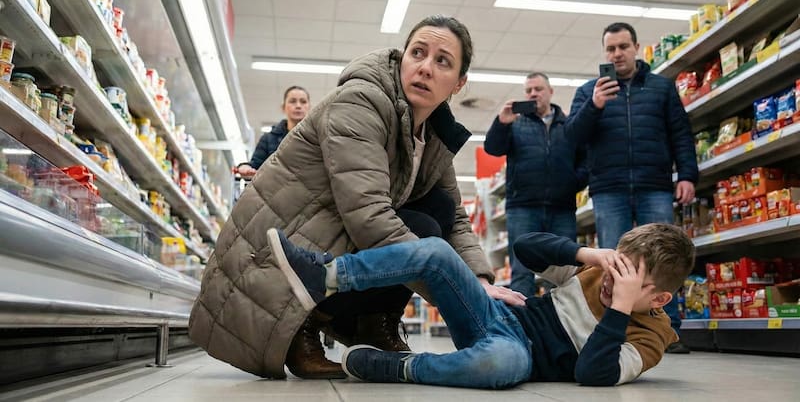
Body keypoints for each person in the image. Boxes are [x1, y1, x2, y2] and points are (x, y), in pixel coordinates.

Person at [188, 15, 526, 380]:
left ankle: (372, 324)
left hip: (330, 241)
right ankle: (306, 325)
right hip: (277, 254)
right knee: (422, 229)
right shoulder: (361, 102)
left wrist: (479, 280)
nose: (426, 68)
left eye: (442, 61)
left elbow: (456, 216)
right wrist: (458, 291)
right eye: (418, 53)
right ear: (402, 59)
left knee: (438, 211)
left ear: (459, 83)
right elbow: (369, 218)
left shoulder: (430, 133)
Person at [269, 222, 695, 388]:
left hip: (516, 353)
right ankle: (326, 276)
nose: (612, 282)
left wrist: (619, 309)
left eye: (629, 281)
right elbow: (525, 248)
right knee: (436, 250)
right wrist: (586, 254)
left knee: (501, 366)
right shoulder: (596, 271)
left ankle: (395, 367)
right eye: (616, 267)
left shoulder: (650, 339)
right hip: (495, 315)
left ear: (659, 298)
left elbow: (592, 374)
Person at [568, 22, 698, 354]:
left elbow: (680, 133)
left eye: (623, 47)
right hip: (608, 188)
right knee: (614, 261)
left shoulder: (661, 88)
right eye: (610, 49)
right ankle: (615, 330)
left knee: (666, 258)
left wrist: (687, 175)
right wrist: (594, 105)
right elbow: (572, 138)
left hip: (654, 184)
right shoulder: (588, 91)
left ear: (636, 48)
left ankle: (668, 330)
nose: (617, 54)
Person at [484, 72, 587, 297]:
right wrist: (501, 123)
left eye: (538, 89)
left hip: (562, 208)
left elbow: (585, 159)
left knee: (563, 269)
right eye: (528, 90)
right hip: (523, 207)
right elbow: (492, 148)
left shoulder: (568, 124)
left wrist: (573, 183)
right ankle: (522, 317)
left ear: (550, 92)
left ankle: (559, 316)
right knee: (522, 270)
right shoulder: (515, 123)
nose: (533, 94)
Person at [236, 86, 310, 178]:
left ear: (309, 107)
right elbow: (255, 165)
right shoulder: (268, 139)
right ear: (283, 107)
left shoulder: (317, 138)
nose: (298, 106)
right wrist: (245, 167)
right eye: (292, 101)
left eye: (303, 102)